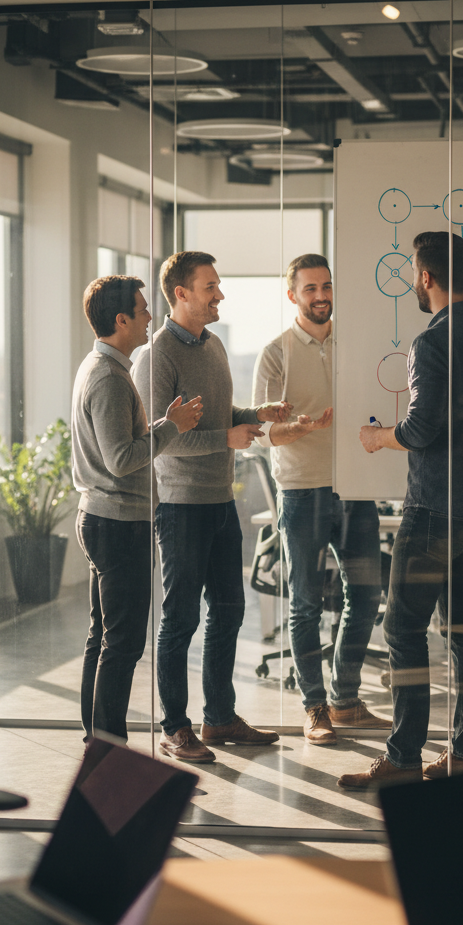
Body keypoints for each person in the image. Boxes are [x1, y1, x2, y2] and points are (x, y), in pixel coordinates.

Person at [338, 233, 463, 789]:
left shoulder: (431, 343)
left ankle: (403, 761)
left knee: (403, 630)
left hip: (433, 513)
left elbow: (422, 428)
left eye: (413, 273)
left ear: (425, 277)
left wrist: (380, 437)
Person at [133, 251, 292, 763]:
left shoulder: (214, 345)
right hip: (181, 506)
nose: (219, 294)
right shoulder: (156, 357)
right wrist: (227, 436)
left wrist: (256, 414)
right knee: (180, 620)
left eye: (218, 286)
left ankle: (219, 718)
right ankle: (175, 727)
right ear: (180, 294)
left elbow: (220, 416)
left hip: (221, 500)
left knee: (228, 612)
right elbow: (160, 439)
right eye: (210, 288)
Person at [253, 254, 391, 744]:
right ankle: (316, 708)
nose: (320, 296)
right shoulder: (275, 353)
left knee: (367, 595)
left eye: (326, 286)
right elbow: (259, 431)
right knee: (306, 604)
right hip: (302, 490)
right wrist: (297, 428)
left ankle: (346, 699)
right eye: (309, 288)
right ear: (293, 295)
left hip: (355, 488)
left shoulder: (356, 346)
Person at [71, 275, 203, 743]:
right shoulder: (108, 377)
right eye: (143, 310)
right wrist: (173, 425)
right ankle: (110, 746)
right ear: (121, 319)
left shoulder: (103, 367)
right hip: (117, 522)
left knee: (104, 636)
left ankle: (98, 740)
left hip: (106, 518)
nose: (151, 317)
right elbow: (121, 458)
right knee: (122, 643)